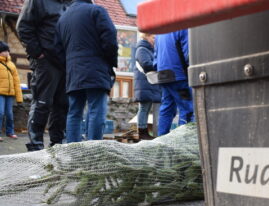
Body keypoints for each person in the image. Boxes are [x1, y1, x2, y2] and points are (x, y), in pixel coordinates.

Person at [55, 0, 118, 143]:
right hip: (96, 68)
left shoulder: (62, 19)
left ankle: (73, 151)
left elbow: (57, 50)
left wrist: (69, 66)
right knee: (96, 110)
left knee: (74, 112)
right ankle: (93, 150)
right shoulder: (96, 11)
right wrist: (111, 62)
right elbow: (110, 38)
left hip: (73, 72)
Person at [17, 0, 71, 151]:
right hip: (45, 60)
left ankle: (57, 144)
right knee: (42, 102)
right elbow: (23, 27)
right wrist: (37, 53)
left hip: (66, 62)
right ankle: (35, 145)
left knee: (62, 105)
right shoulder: (38, 1)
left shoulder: (72, 3)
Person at [154, 29, 195, 136]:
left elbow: (155, 56)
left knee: (166, 108)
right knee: (187, 109)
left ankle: (160, 140)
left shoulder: (160, 32)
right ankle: (183, 141)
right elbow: (188, 53)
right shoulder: (182, 27)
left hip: (163, 75)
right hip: (178, 76)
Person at [133, 33, 161, 140]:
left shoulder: (148, 49)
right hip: (145, 83)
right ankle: (142, 132)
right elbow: (146, 64)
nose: (155, 40)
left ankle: (145, 133)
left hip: (148, 83)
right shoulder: (142, 49)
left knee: (146, 107)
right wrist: (160, 64)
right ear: (146, 37)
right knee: (144, 108)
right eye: (153, 37)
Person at [0, 41, 23, 142]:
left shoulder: (12, 65)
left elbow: (16, 82)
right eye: (5, 50)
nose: (7, 52)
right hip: (0, 93)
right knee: (0, 113)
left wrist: (19, 98)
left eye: (7, 50)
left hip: (10, 94)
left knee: (9, 113)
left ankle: (10, 131)